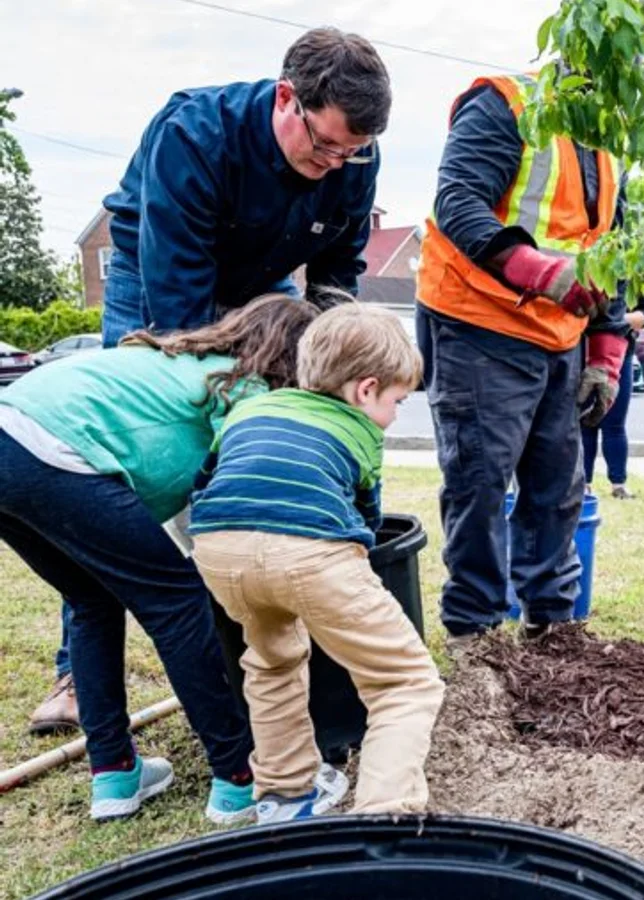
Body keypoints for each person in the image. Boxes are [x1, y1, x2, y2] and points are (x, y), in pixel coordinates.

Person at [28, 26, 391, 736]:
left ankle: (264, 623)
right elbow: (181, 312)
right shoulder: (193, 135)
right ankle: (79, 671)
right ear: (287, 99)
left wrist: (331, 376)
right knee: (123, 475)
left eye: (353, 152)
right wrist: (226, 403)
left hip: (264, 284)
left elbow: (337, 277)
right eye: (323, 146)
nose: (336, 164)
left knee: (284, 429)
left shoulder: (350, 157)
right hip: (156, 280)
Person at [0, 295, 318, 823]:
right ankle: (239, 777)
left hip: (10, 435)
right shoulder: (245, 386)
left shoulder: (178, 360)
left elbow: (182, 499)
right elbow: (237, 491)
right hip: (54, 448)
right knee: (177, 600)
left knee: (90, 600)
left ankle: (115, 776)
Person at [190, 304, 444, 821]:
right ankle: (384, 815)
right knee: (405, 681)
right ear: (366, 389)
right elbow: (366, 518)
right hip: (311, 552)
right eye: (396, 401)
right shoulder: (359, 429)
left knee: (270, 661)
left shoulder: (251, 408)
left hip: (219, 549)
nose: (395, 415)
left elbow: (207, 479)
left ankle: (285, 796)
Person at [417, 68, 631, 641]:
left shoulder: (614, 129)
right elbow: (457, 201)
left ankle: (552, 627)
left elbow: (614, 245)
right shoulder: (506, 104)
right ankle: (476, 632)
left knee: (559, 488)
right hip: (478, 320)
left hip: (560, 333)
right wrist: (540, 273)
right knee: (480, 483)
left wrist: (605, 353)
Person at [583, 294, 644, 499]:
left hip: (620, 354)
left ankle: (618, 484)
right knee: (585, 421)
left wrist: (616, 321)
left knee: (615, 422)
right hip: (588, 351)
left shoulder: (629, 271)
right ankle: (583, 484)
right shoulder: (587, 269)